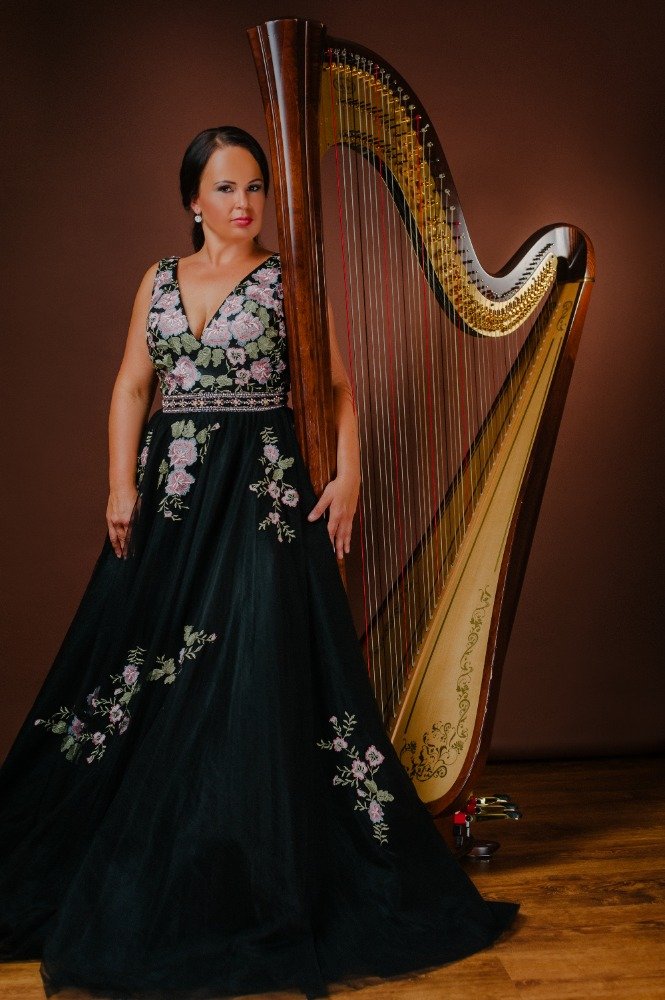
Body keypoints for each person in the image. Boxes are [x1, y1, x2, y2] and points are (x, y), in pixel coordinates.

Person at [0, 125, 518, 999]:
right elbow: (132, 385)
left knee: (251, 674)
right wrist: (119, 486)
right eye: (225, 188)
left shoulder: (288, 283)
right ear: (191, 201)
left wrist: (348, 476)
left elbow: (338, 388)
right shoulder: (157, 280)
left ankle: (252, 870)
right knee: (139, 675)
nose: (244, 204)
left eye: (255, 188)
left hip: (260, 498)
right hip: (170, 497)